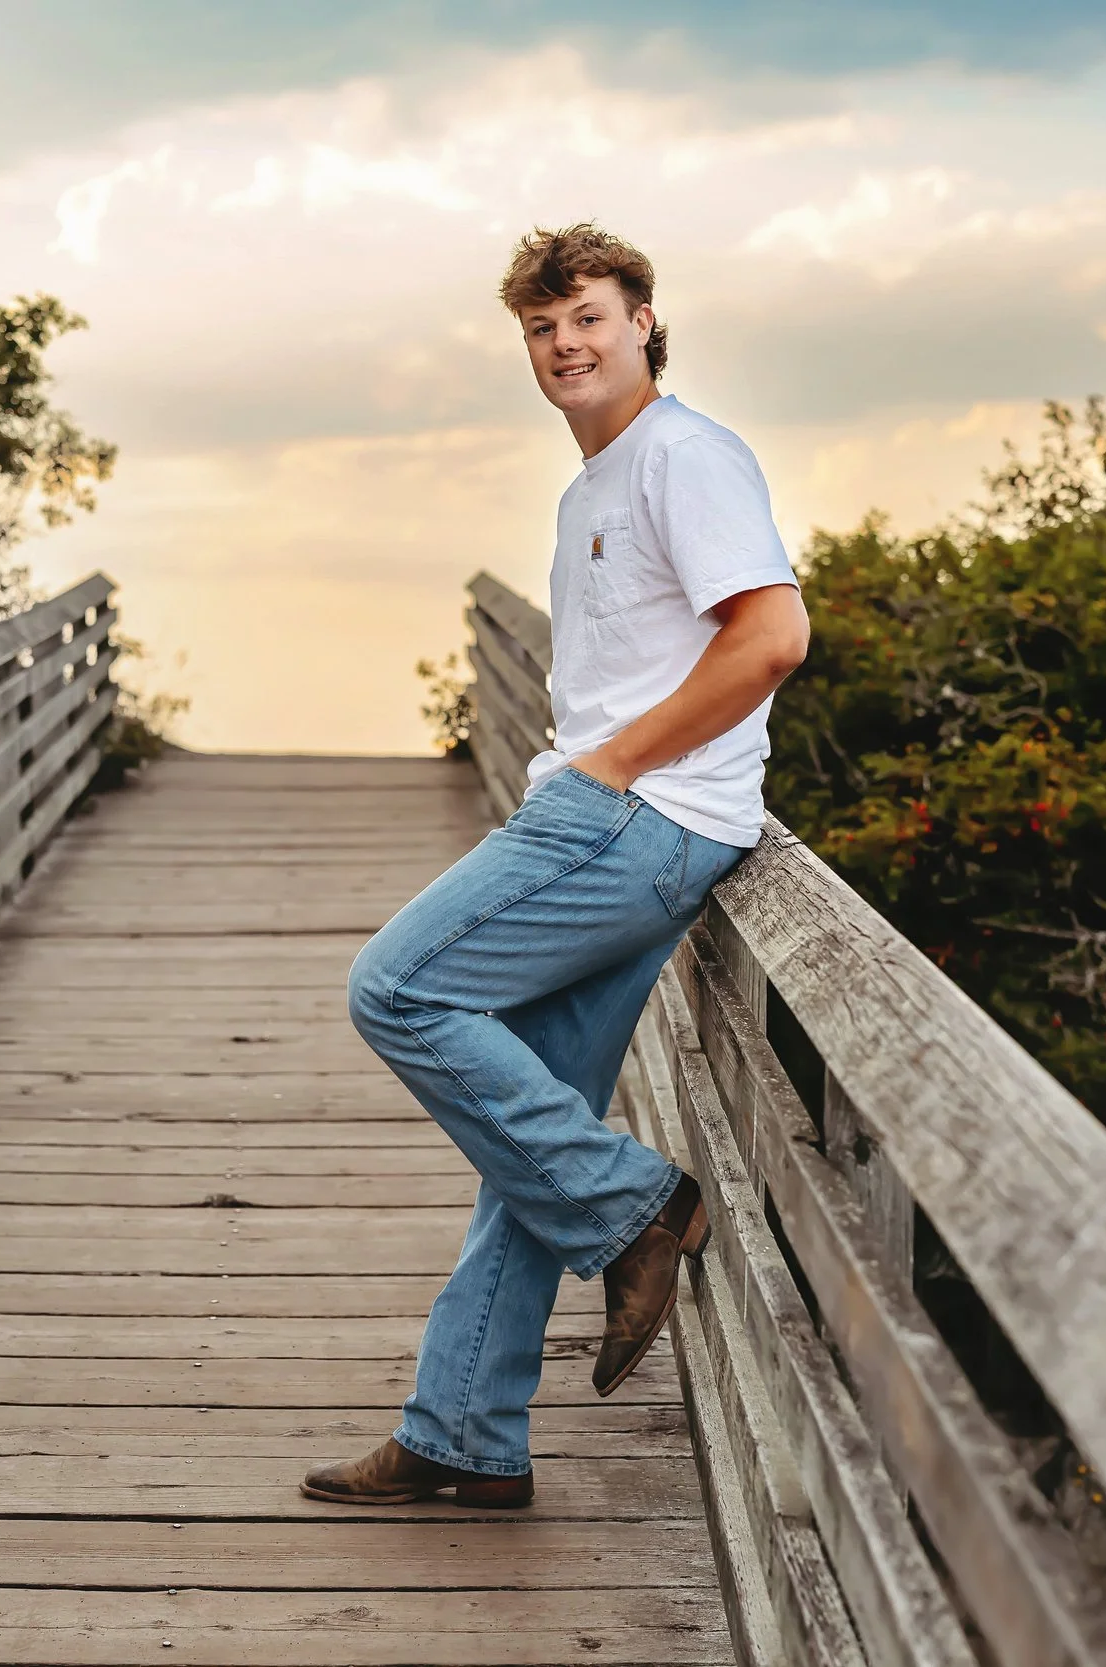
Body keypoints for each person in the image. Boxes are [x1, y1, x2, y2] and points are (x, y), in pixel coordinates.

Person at [304, 224, 811, 1507]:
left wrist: (610, 769)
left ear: (644, 318)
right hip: (647, 819)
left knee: (399, 989)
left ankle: (637, 1203)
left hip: (629, 820)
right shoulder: (597, 482)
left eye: (587, 315)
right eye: (541, 327)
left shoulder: (684, 457)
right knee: (526, 1130)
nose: (564, 344)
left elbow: (770, 638)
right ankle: (464, 1427)